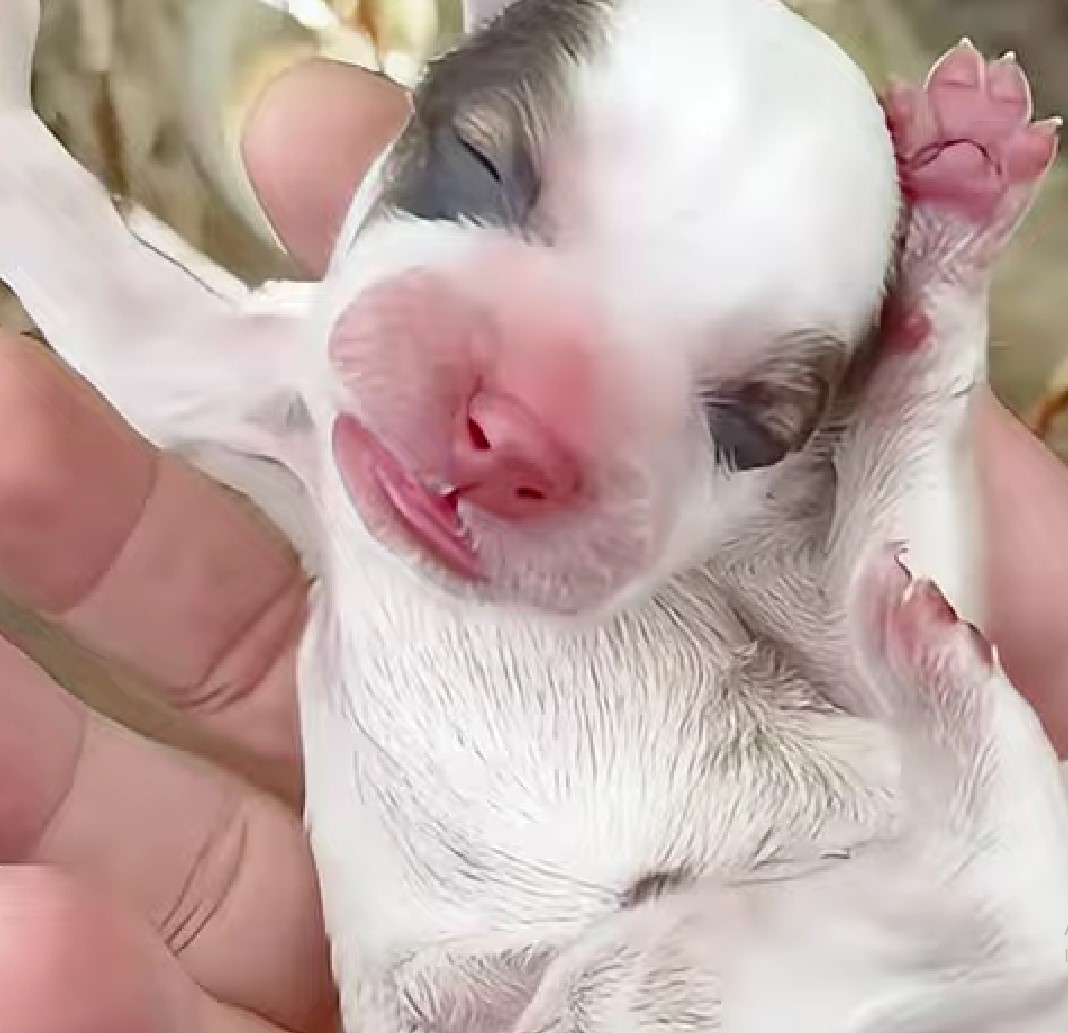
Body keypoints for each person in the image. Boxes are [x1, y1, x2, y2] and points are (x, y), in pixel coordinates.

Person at [0, 56, 1066, 1033]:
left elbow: (886, 616)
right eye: (484, 181)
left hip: (860, 890)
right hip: (513, 978)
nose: (522, 423)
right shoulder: (309, 374)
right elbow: (142, 332)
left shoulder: (726, 532)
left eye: (737, 415)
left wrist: (921, 352)